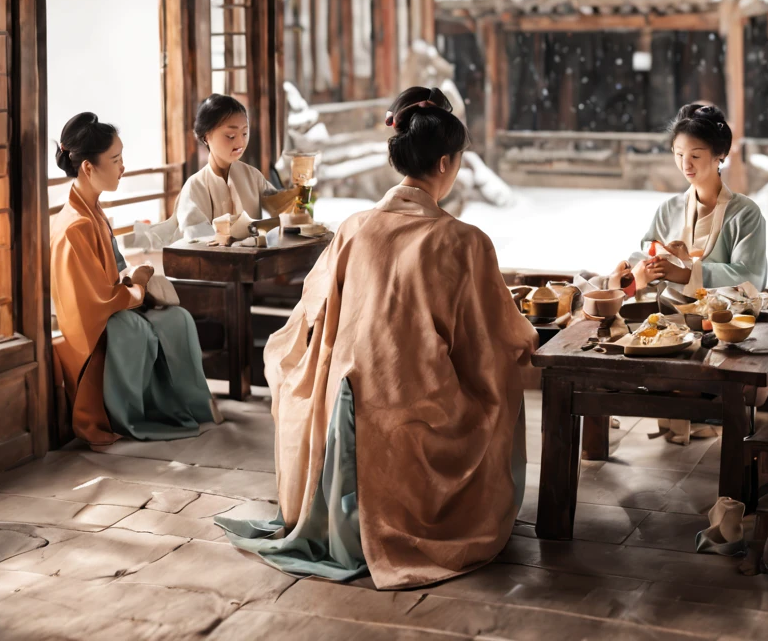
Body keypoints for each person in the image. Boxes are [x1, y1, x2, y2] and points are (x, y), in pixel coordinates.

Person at [217, 86, 537, 590]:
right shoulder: (464, 241)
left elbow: (312, 314)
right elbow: (493, 334)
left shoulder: (354, 228)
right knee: (499, 390)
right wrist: (526, 335)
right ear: (448, 163)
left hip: (346, 397)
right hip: (418, 406)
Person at [50, 112, 221, 447]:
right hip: (92, 331)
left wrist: (133, 280)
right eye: (115, 160)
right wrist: (138, 286)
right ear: (88, 168)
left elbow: (110, 276)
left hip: (112, 306)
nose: (122, 166)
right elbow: (95, 303)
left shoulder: (92, 210)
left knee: (177, 319)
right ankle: (140, 414)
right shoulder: (75, 225)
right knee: (136, 329)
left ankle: (191, 406)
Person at [603, 103, 768, 296]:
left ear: (720, 154)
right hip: (666, 318)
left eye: (695, 155)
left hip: (720, 320)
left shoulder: (745, 214)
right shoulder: (668, 209)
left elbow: (751, 276)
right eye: (679, 154)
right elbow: (650, 252)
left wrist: (686, 273)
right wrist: (629, 271)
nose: (685, 164)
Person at [135, 94, 293, 247]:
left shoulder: (253, 176)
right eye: (231, 135)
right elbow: (195, 235)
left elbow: (281, 208)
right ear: (206, 137)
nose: (240, 142)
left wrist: (296, 198)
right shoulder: (195, 186)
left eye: (244, 133)